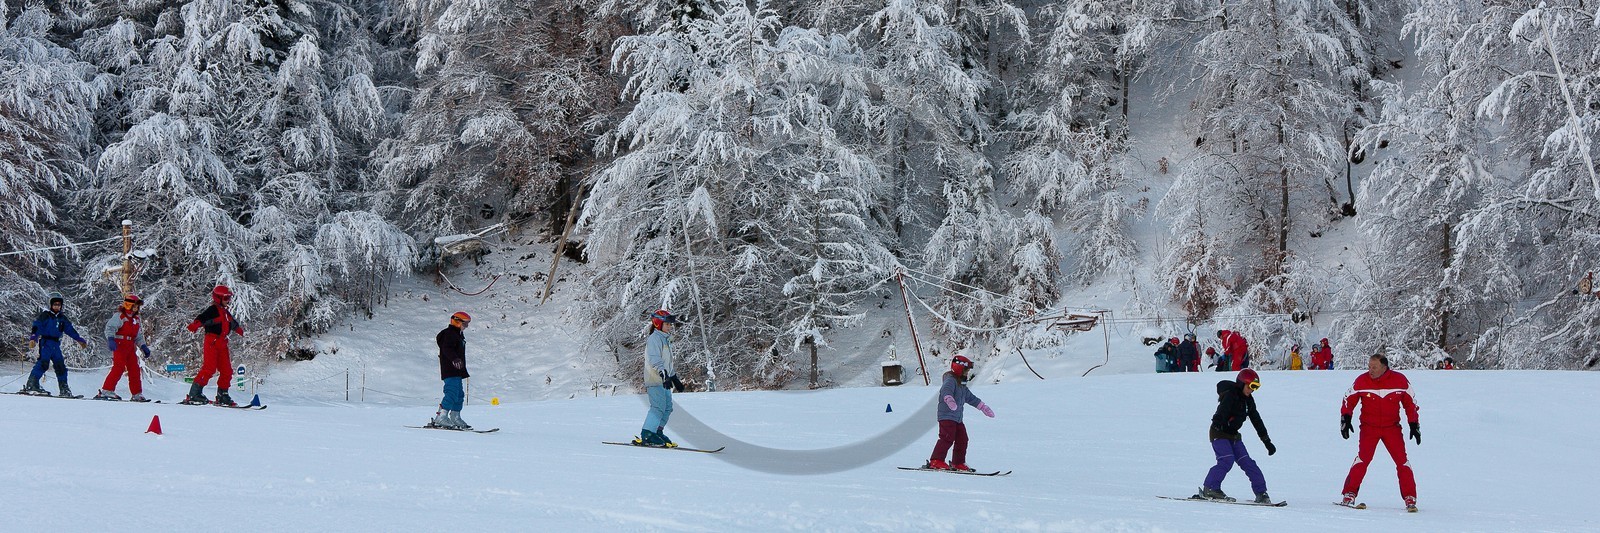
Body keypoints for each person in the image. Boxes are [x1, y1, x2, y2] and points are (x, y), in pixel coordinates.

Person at [1339, 353, 1421, 512]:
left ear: (1384, 367)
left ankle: (1410, 497)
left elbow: (1411, 404)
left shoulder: (1400, 381)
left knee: (1402, 461)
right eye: (1369, 366)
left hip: (1392, 428)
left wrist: (1413, 424)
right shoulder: (1362, 381)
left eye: (1374, 367)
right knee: (1363, 459)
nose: (1370, 370)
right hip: (1369, 428)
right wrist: (1346, 418)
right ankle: (1349, 493)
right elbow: (1348, 400)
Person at [1196, 368, 1275, 503]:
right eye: (1251, 386)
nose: (1252, 390)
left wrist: (1267, 441)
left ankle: (1261, 493)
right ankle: (1210, 488)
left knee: (1248, 463)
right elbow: (1222, 411)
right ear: (1242, 383)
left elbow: (1257, 421)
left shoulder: (1248, 401)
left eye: (1256, 387)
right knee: (1226, 460)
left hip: (1233, 436)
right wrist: (1218, 422)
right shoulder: (1231, 395)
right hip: (1219, 433)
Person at [924, 355, 995, 472]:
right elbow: (945, 390)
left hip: (957, 418)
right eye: (966, 370)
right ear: (958, 368)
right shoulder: (950, 380)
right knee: (947, 438)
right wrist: (949, 399)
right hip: (946, 416)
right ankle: (936, 460)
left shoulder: (961, 385)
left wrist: (983, 407)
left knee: (963, 439)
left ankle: (958, 463)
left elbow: (970, 397)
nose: (967, 373)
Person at [183, 285, 245, 405]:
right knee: (209, 368)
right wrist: (195, 325)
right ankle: (194, 394)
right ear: (218, 298)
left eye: (229, 298)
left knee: (227, 370)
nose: (228, 301)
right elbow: (202, 318)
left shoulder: (226, 313)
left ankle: (223, 395)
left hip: (222, 343)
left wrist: (242, 332)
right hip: (211, 341)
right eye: (226, 298)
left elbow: (233, 324)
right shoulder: (212, 310)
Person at [633, 309, 685, 447]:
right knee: (658, 407)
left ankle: (657, 432)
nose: (670, 327)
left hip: (664, 379)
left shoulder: (665, 339)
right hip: (655, 379)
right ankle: (648, 434)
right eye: (667, 324)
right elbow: (655, 360)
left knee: (667, 408)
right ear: (658, 323)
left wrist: (674, 378)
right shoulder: (654, 339)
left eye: (670, 324)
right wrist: (663, 374)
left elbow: (667, 362)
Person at [23, 294, 90, 397]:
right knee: (43, 363)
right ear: (50, 305)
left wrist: (79, 340)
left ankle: (64, 389)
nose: (57, 307)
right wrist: (33, 338)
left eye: (59, 305)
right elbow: (37, 326)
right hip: (46, 342)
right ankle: (32, 384)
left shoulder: (62, 318)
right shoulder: (45, 316)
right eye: (55, 304)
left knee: (60, 366)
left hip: (55, 344)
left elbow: (70, 330)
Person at [97, 294, 153, 401]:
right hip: (119, 344)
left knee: (134, 369)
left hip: (130, 346)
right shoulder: (120, 316)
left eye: (137, 306)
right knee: (119, 367)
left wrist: (143, 346)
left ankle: (137, 393)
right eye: (135, 306)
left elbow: (138, 335)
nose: (136, 308)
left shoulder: (135, 319)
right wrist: (111, 339)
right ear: (129, 305)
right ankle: (107, 390)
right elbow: (110, 327)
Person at [429, 311, 473, 429]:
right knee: (452, 392)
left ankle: (455, 417)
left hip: (457, 370)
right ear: (457, 321)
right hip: (450, 369)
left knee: (459, 395)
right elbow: (446, 348)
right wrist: (454, 359)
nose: (466, 327)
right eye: (465, 324)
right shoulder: (449, 334)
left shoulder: (457, 334)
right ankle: (441, 417)